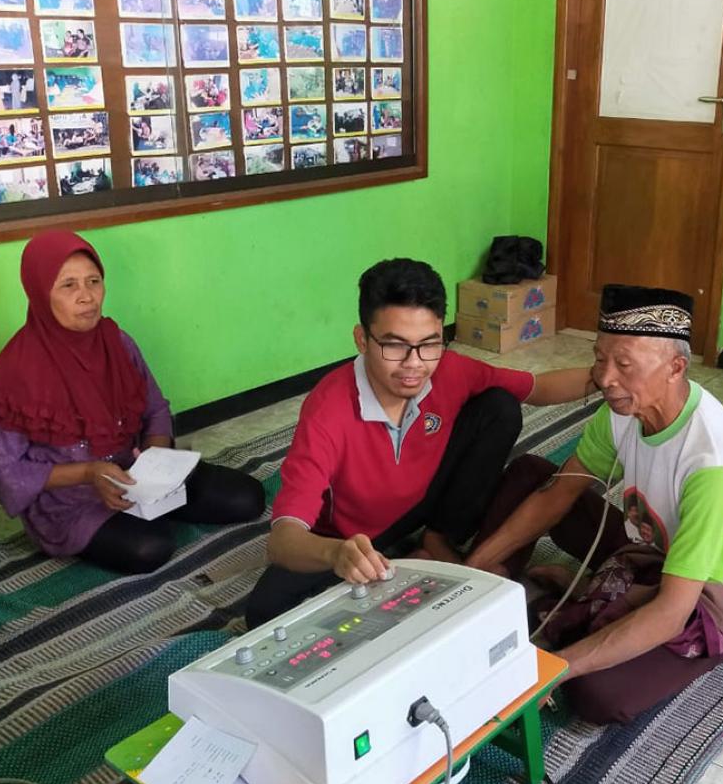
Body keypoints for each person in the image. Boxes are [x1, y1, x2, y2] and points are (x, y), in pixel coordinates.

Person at [467, 285, 723, 724]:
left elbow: (671, 613)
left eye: (624, 364)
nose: (604, 378)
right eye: (599, 358)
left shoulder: (713, 467)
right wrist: (472, 571)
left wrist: (557, 669)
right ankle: (498, 592)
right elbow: (560, 493)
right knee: (531, 476)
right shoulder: (621, 410)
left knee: (597, 695)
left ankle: (591, 593)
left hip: (713, 591)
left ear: (676, 367)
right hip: (652, 544)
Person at [245, 257, 594, 628]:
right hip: (355, 535)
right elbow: (283, 540)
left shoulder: (451, 369)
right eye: (395, 346)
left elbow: (537, 388)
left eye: (429, 344)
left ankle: (439, 538)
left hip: (422, 497)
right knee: (266, 611)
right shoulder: (327, 411)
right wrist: (337, 553)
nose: (414, 364)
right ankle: (404, 554)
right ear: (362, 339)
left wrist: (613, 373)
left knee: (499, 407)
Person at [0, 230, 264, 574]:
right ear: (40, 293)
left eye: (94, 281)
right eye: (68, 285)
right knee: (149, 547)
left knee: (248, 498)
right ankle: (146, 513)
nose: (87, 297)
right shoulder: (14, 372)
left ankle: (154, 503)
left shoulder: (117, 342)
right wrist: (89, 472)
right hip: (72, 498)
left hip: (139, 475)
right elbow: (4, 471)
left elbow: (155, 409)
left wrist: (156, 456)